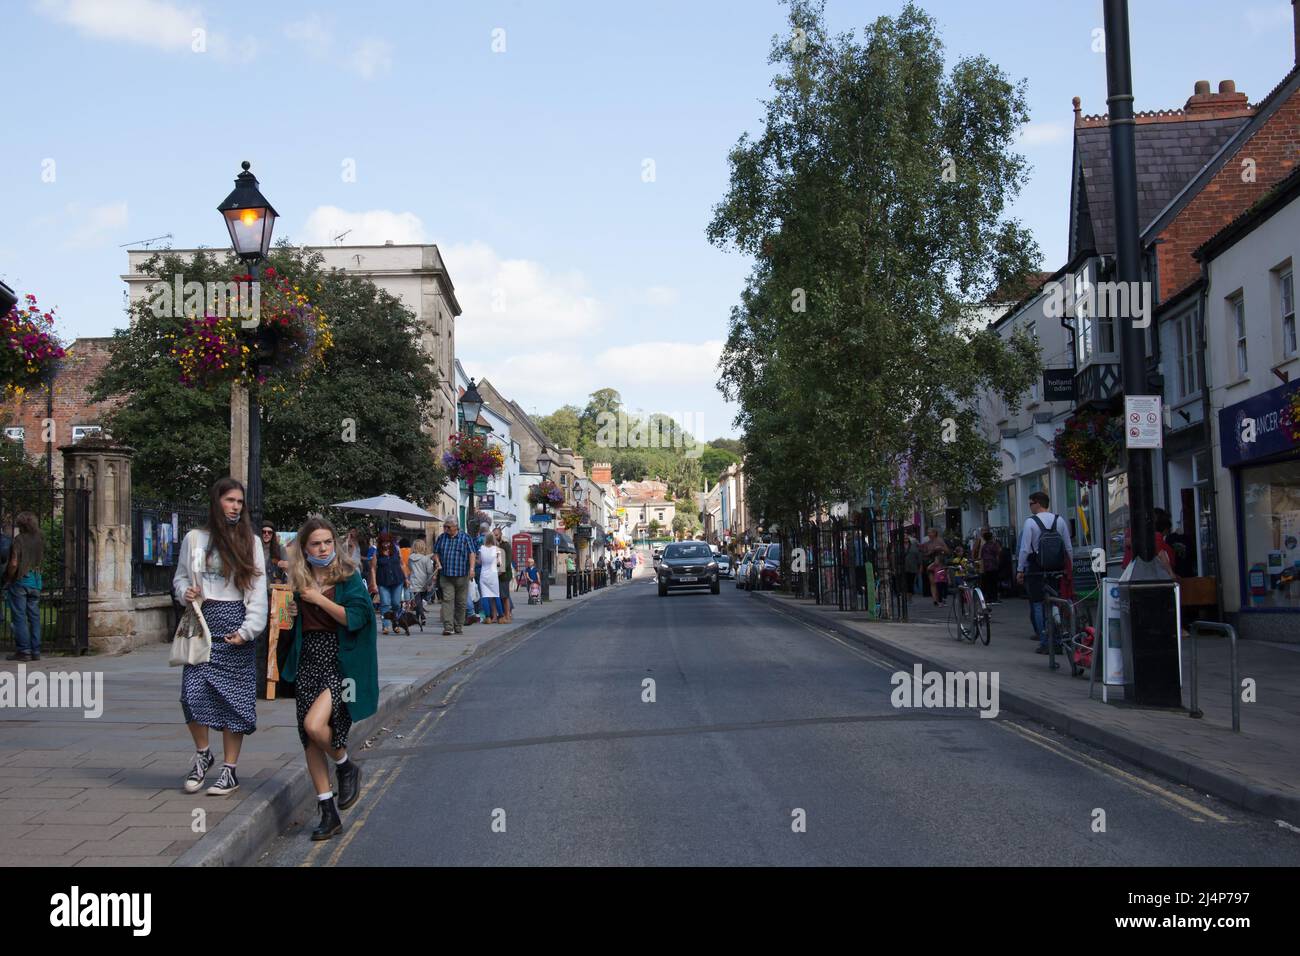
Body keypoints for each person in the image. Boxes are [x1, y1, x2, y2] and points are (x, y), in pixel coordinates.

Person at [281, 517, 378, 841]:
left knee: (315, 725)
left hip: (339, 660)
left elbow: (358, 617)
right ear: (305, 549)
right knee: (309, 739)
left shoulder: (348, 577)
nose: (322, 549)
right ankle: (327, 811)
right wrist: (292, 612)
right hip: (307, 658)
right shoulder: (298, 579)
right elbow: (291, 622)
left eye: (326, 543)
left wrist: (319, 599)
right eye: (315, 544)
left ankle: (346, 764)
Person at [172, 478, 267, 796]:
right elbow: (181, 577)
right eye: (230, 500)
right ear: (217, 502)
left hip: (235, 624)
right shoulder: (195, 539)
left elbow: (257, 590)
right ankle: (203, 755)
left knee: (234, 701)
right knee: (191, 694)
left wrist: (248, 629)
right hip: (202, 621)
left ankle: (229, 770)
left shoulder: (250, 542)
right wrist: (184, 592)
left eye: (240, 502)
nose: (236, 506)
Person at [1016, 491, 1074, 654]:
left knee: (1038, 604)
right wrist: (1070, 567)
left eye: (1030, 504)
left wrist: (1020, 570)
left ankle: (1045, 641)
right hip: (1056, 567)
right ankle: (1059, 636)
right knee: (1057, 601)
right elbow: (1068, 546)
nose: (1030, 507)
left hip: (1036, 568)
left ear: (1037, 503)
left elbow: (1025, 549)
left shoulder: (1031, 523)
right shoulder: (1059, 520)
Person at [4, 512, 45, 662]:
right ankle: (36, 650)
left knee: (19, 616)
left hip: (21, 581)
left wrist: (8, 577)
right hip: (36, 580)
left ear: (20, 525)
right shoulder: (40, 538)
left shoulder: (18, 540)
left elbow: (14, 563)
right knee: (34, 616)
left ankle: (24, 650)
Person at [432, 518, 477, 636]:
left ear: (455, 527)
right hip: (446, 575)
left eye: (448, 527)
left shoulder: (465, 538)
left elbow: (472, 553)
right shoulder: (442, 537)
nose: (446, 529)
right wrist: (437, 562)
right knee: (447, 600)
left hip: (462, 575)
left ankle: (458, 626)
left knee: (461, 602)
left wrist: (472, 569)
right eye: (445, 527)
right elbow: (435, 552)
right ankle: (448, 627)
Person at [373, 532, 409, 636]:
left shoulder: (396, 550)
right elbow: (373, 568)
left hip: (397, 580)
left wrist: (406, 578)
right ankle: (385, 626)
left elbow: (402, 564)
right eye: (384, 543)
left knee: (396, 603)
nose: (386, 545)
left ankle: (396, 624)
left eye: (388, 542)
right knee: (385, 603)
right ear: (380, 543)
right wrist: (374, 583)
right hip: (383, 581)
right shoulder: (377, 552)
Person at [408, 538, 436, 628]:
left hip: (414, 580)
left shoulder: (410, 558)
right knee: (421, 599)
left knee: (417, 600)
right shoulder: (425, 559)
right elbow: (429, 571)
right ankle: (422, 616)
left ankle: (417, 616)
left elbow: (410, 568)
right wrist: (430, 582)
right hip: (424, 580)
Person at [477, 532, 504, 623]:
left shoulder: (481, 548)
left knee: (484, 596)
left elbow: (480, 562)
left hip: (483, 574)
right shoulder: (497, 549)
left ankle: (488, 617)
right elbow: (499, 563)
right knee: (496, 595)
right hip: (493, 574)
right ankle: (500, 617)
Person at [919, 528, 949, 600]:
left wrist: (941, 548)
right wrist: (925, 550)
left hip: (939, 563)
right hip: (930, 562)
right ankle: (935, 599)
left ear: (935, 533)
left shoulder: (940, 541)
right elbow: (925, 553)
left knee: (938, 581)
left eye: (930, 533)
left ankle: (939, 597)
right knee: (932, 581)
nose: (929, 534)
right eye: (928, 533)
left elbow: (947, 551)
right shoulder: (928, 543)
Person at [979, 531, 1001, 605]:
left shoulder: (984, 546)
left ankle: (988, 598)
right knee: (994, 582)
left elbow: (981, 557)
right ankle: (994, 597)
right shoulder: (994, 545)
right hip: (993, 565)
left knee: (988, 582)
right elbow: (998, 554)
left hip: (986, 566)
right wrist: (998, 563)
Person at [496, 538, 513, 623]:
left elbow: (508, 560)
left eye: (497, 535)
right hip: (496, 575)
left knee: (505, 596)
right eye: (494, 535)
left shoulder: (505, 545)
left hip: (505, 575)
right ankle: (502, 615)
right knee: (500, 596)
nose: (495, 537)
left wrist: (501, 571)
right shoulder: (494, 545)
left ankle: (508, 615)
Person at [902, 535, 922, 602]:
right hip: (903, 567)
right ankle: (905, 596)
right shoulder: (899, 547)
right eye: (904, 538)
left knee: (911, 582)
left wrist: (920, 566)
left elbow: (918, 556)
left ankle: (909, 597)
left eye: (907, 538)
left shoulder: (914, 547)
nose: (905, 539)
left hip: (913, 567)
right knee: (904, 583)